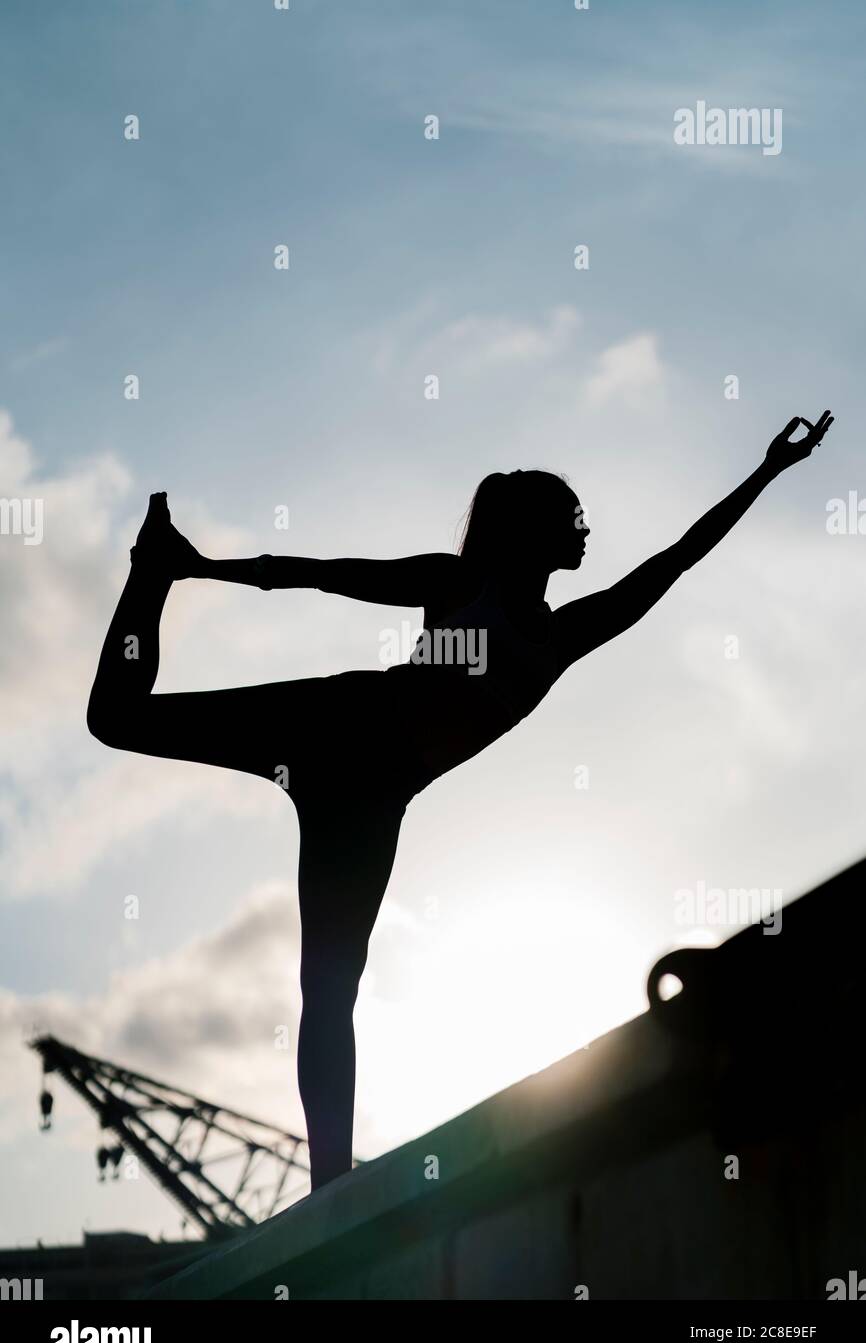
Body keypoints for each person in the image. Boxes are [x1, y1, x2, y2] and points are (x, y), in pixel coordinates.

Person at [87, 409, 834, 1189]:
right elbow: (322, 571)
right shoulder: (458, 585)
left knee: (331, 987)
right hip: (336, 726)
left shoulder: (565, 634)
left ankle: (327, 1187)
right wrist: (203, 569)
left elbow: (677, 559)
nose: (586, 530)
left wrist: (768, 471)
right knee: (116, 718)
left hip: (375, 798)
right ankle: (154, 571)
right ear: (534, 531)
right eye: (572, 518)